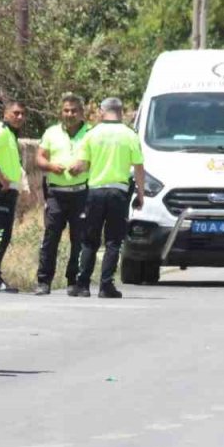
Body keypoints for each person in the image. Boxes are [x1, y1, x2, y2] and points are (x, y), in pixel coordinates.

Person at [70, 97, 145, 298]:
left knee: (89, 241)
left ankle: (83, 284)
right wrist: (141, 194)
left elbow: (82, 165)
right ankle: (106, 285)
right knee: (113, 241)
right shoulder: (130, 135)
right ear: (120, 112)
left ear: (103, 111)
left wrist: (73, 170)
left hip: (95, 192)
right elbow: (138, 167)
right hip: (118, 193)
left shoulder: (92, 134)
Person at [34, 93, 90, 296]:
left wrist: (84, 164)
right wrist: (49, 165)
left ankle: (74, 281)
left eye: (74, 110)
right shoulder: (51, 133)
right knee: (50, 238)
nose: (70, 114)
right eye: (66, 110)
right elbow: (39, 157)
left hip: (81, 194)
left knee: (79, 239)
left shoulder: (91, 133)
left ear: (81, 112)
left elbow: (98, 158)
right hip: (56, 194)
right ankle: (43, 281)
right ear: (61, 111)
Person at [0, 100, 26, 292]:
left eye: (22, 114)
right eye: (15, 113)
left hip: (10, 190)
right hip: (0, 189)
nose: (19, 117)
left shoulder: (11, 134)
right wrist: (1, 177)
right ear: (6, 114)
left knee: (4, 233)